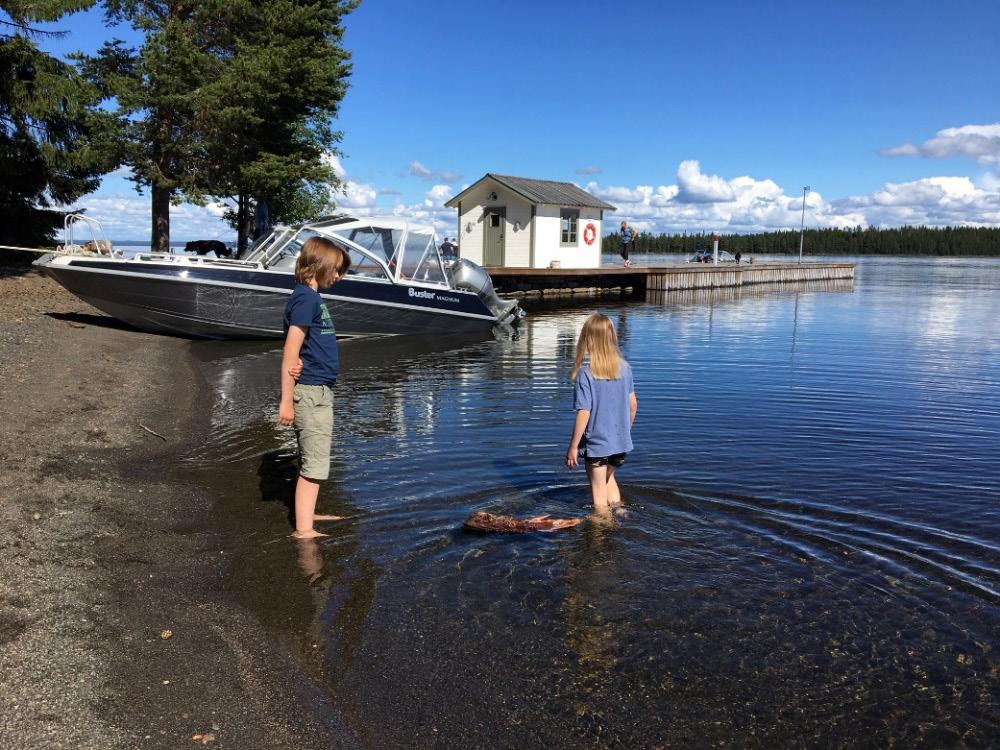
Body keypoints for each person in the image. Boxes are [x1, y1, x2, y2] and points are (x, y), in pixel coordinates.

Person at [278, 236, 352, 539]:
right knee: (315, 462)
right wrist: (286, 400)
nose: (339, 276)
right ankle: (304, 530)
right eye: (336, 269)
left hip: (318, 389)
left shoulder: (309, 297)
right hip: (310, 392)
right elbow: (290, 351)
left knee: (312, 456)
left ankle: (306, 513)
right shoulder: (306, 299)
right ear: (320, 265)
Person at [565, 313, 638, 519]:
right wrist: (624, 433)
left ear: (587, 339)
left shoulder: (586, 374)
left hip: (597, 445)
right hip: (620, 444)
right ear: (612, 337)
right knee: (608, 480)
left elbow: (584, 412)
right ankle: (621, 514)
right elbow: (633, 405)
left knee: (598, 496)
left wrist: (573, 447)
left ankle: (601, 540)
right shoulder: (625, 368)